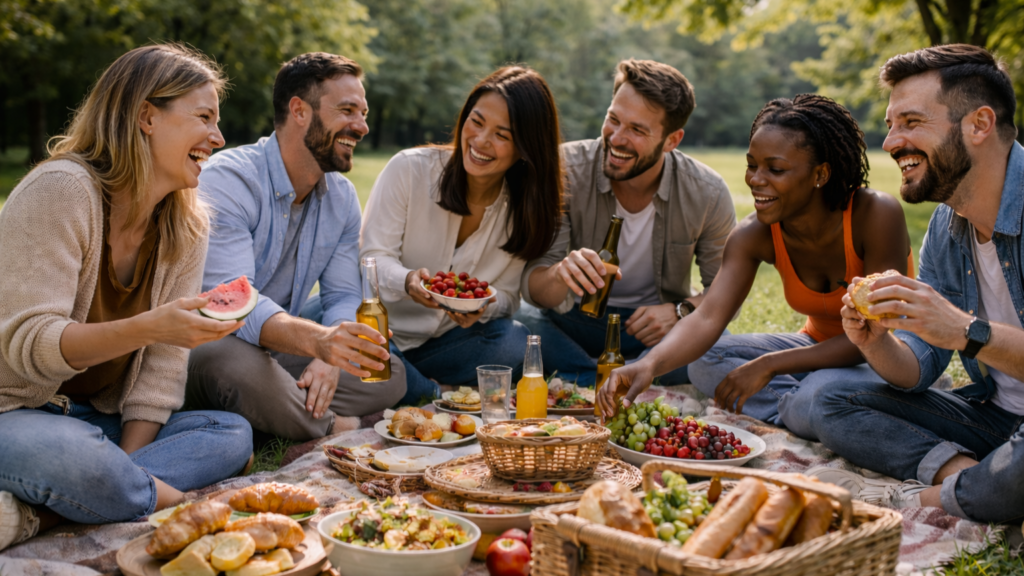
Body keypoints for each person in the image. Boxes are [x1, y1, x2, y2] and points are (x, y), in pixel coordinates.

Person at [0, 44, 253, 552]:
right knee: (73, 458)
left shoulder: (184, 224)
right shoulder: (61, 190)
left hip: (94, 421)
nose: (218, 138)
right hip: (13, 410)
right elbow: (27, 344)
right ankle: (142, 492)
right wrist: (153, 325)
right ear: (145, 117)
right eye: (204, 117)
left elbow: (159, 376)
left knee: (229, 431)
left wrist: (122, 464)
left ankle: (41, 512)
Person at [598, 94, 915, 436]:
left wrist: (769, 365)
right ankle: (807, 412)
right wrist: (648, 364)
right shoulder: (754, 234)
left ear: (820, 174)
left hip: (888, 356)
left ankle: (813, 406)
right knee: (705, 360)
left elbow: (875, 332)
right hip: (811, 351)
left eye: (775, 169)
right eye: (752, 165)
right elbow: (707, 317)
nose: (755, 179)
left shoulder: (876, 214)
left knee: (818, 388)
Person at [799, 45, 1024, 526]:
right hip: (995, 418)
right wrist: (877, 344)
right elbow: (919, 370)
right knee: (825, 396)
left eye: (911, 122)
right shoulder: (947, 228)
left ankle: (921, 501)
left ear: (979, 125)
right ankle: (971, 479)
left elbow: (962, 334)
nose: (890, 142)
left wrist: (967, 331)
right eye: (890, 124)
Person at [185, 53, 406, 441]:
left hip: (282, 341)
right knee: (237, 367)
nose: (362, 126)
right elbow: (237, 305)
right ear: (299, 111)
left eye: (364, 112)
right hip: (209, 342)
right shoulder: (229, 181)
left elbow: (342, 294)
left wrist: (335, 351)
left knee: (387, 373)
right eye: (348, 110)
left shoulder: (341, 197)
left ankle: (272, 412)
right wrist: (320, 344)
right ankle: (336, 426)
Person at [516, 59, 735, 387]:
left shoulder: (708, 191)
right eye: (613, 120)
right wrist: (560, 273)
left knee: (721, 346)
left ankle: (590, 377)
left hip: (655, 330)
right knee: (516, 326)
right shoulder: (563, 169)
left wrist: (681, 311)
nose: (616, 139)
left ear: (672, 140)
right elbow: (534, 289)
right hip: (568, 322)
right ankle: (628, 376)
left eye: (637, 130)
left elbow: (725, 294)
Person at [360, 66, 563, 404]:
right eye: (477, 121)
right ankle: (438, 394)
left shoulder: (522, 211)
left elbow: (510, 298)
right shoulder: (409, 169)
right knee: (358, 348)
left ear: (526, 148)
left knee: (513, 340)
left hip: (445, 345)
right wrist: (410, 281)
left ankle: (404, 386)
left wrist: (482, 308)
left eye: (502, 134)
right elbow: (371, 260)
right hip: (381, 332)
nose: (481, 141)